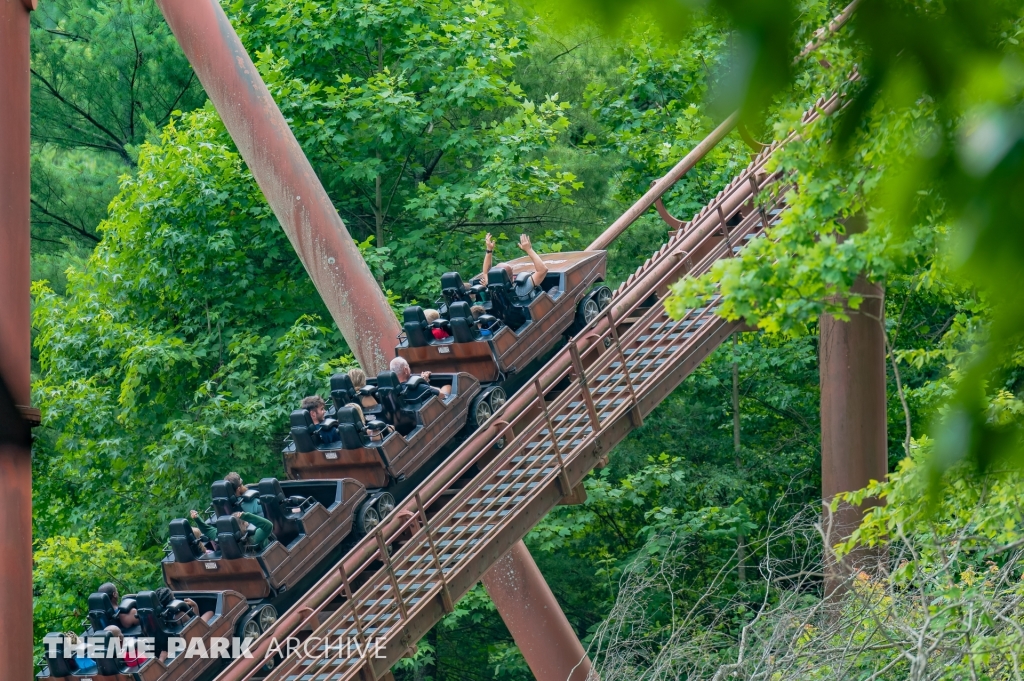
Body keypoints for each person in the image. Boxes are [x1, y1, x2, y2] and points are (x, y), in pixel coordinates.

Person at [479, 234, 548, 294]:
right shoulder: (521, 289)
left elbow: (486, 272)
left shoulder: (492, 288)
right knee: (555, 288)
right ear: (511, 275)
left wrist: (489, 250)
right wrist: (528, 249)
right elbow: (543, 270)